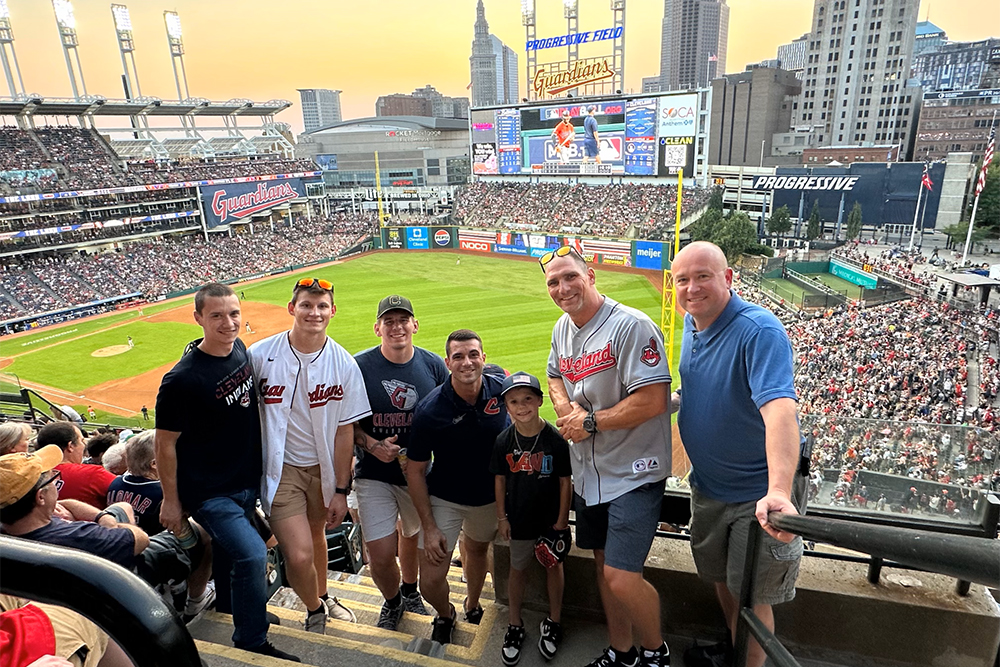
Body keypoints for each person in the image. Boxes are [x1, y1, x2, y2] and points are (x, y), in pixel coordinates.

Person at [670, 242, 807, 667]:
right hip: (709, 487)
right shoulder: (693, 324)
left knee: (751, 597)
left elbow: (780, 410)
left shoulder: (758, 330)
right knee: (725, 584)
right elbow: (702, 387)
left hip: (756, 495)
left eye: (703, 276)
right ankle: (736, 650)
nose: (692, 288)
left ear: (728, 278)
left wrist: (778, 490)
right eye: (682, 279)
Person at [542, 244, 673, 667]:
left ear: (591, 276)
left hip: (634, 471)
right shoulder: (562, 328)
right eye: (554, 282)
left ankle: (655, 652)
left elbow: (653, 399)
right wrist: (565, 407)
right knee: (603, 567)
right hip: (588, 473)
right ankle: (622, 652)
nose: (563, 288)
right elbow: (554, 376)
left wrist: (590, 422)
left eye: (570, 277)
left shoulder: (632, 326)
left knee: (621, 575)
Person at [155, 282, 299, 661]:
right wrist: (171, 501)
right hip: (210, 491)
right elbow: (164, 444)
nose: (228, 323)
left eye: (234, 314)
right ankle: (251, 639)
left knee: (226, 550)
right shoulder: (181, 380)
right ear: (198, 318)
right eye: (216, 315)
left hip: (244, 481)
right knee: (251, 555)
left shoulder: (238, 350)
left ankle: (233, 606)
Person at [249, 277, 371, 632]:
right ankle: (315, 607)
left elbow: (345, 431)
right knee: (299, 553)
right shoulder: (260, 355)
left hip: (324, 469)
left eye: (321, 306)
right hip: (281, 470)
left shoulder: (344, 364)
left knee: (317, 534)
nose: (314, 312)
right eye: (306, 305)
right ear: (292, 308)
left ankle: (323, 595)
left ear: (332, 311)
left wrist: (341, 489)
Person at [0, 446, 215, 624]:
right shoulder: (81, 537)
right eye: (52, 481)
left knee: (122, 507)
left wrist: (103, 517)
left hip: (80, 569)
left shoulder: (13, 528)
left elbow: (68, 504)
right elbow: (140, 540)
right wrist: (115, 526)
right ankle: (196, 602)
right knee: (202, 529)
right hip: (125, 577)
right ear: (40, 497)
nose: (56, 485)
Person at [406, 329, 508, 645]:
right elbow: (415, 470)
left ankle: (472, 604)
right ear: (448, 362)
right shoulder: (430, 409)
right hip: (445, 498)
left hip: (489, 497)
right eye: (459, 357)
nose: (467, 362)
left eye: (473, 355)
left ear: (484, 358)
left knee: (477, 550)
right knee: (430, 580)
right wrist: (428, 526)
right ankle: (445, 613)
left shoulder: (503, 391)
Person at [353, 295, 448, 630]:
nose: (397, 327)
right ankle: (392, 601)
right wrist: (372, 445)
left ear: (415, 325)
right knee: (379, 556)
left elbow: (446, 419)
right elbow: (344, 424)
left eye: (403, 320)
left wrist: (424, 456)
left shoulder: (433, 365)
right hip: (373, 472)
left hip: (418, 475)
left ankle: (409, 590)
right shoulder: (359, 366)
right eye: (389, 321)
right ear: (377, 328)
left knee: (413, 535)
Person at [491, 372, 572, 666]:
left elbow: (565, 482)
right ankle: (515, 624)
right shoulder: (504, 440)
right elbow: (499, 480)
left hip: (550, 520)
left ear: (539, 400)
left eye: (527, 398)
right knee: (517, 569)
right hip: (520, 518)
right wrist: (502, 517)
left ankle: (554, 620)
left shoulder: (555, 440)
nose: (521, 406)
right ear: (506, 407)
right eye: (514, 401)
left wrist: (562, 522)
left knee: (554, 567)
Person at [37, 423, 115, 510]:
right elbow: (125, 488)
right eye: (81, 441)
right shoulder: (93, 474)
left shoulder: (29, 472)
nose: (84, 445)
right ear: (70, 446)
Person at [106, 430, 164, 535]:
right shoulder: (162, 491)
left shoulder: (116, 482)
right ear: (154, 464)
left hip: (115, 537)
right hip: (147, 541)